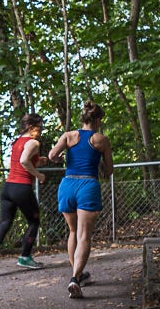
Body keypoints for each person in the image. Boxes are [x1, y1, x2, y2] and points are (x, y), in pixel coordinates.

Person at [46, 101, 114, 298]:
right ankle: (75, 278)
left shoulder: (68, 136)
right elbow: (109, 170)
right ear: (99, 119)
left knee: (73, 231)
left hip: (67, 185)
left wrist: (59, 159)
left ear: (83, 118)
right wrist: (100, 164)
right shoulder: (101, 139)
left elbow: (52, 155)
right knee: (84, 235)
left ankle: (78, 274)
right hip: (87, 185)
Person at [0, 114, 48, 276]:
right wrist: (38, 175)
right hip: (22, 188)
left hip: (8, 188)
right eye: (39, 127)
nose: (40, 131)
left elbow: (25, 159)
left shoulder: (18, 141)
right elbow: (24, 161)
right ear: (31, 127)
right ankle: (25, 257)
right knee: (34, 221)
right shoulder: (33, 142)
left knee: (5, 222)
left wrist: (40, 161)